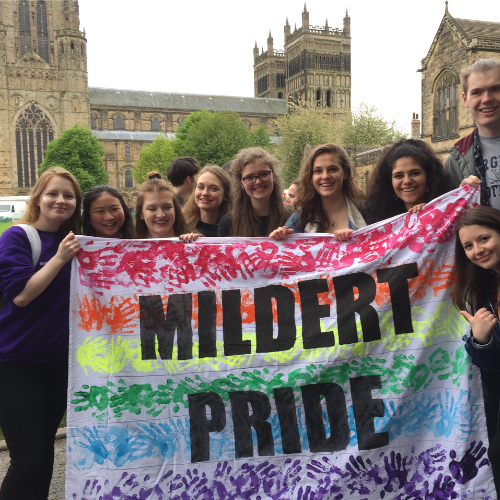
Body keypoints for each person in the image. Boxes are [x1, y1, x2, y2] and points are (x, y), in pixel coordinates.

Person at [0, 167, 81, 499]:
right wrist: (59, 259)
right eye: (53, 193)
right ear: (38, 198)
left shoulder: (76, 243)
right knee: (27, 460)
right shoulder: (17, 237)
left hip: (58, 363)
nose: (60, 200)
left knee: (43, 452)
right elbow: (21, 295)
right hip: (17, 364)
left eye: (68, 195)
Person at [453, 206, 500, 493]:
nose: (477, 250)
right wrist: (481, 340)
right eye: (468, 246)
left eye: (483, 239)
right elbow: (491, 364)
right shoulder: (485, 289)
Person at [270, 143, 366, 241]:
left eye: (332, 169)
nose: (325, 176)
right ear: (311, 177)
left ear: (345, 173)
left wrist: (358, 240)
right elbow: (286, 254)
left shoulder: (368, 212)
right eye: (318, 171)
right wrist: (280, 239)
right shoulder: (300, 218)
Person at [446, 58, 500, 207]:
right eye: (477, 92)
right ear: (465, 100)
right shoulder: (455, 160)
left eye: (495, 89)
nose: (487, 99)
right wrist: (460, 200)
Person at [364, 138, 455, 224]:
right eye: (398, 176)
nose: (407, 181)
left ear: (429, 176)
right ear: (389, 181)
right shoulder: (378, 221)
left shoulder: (451, 213)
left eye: (415, 173)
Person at [217, 147, 292, 237]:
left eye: (264, 174)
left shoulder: (294, 218)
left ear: (274, 175)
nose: (258, 181)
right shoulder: (228, 223)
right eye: (249, 177)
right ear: (241, 183)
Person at [135, 171, 189, 239]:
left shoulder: (195, 244)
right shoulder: (128, 247)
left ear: (175, 209)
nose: (160, 215)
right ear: (141, 214)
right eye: (152, 209)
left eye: (167, 207)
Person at [183, 165, 231, 237]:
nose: (205, 193)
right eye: (201, 187)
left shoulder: (234, 229)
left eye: (213, 189)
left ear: (225, 195)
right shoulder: (183, 227)